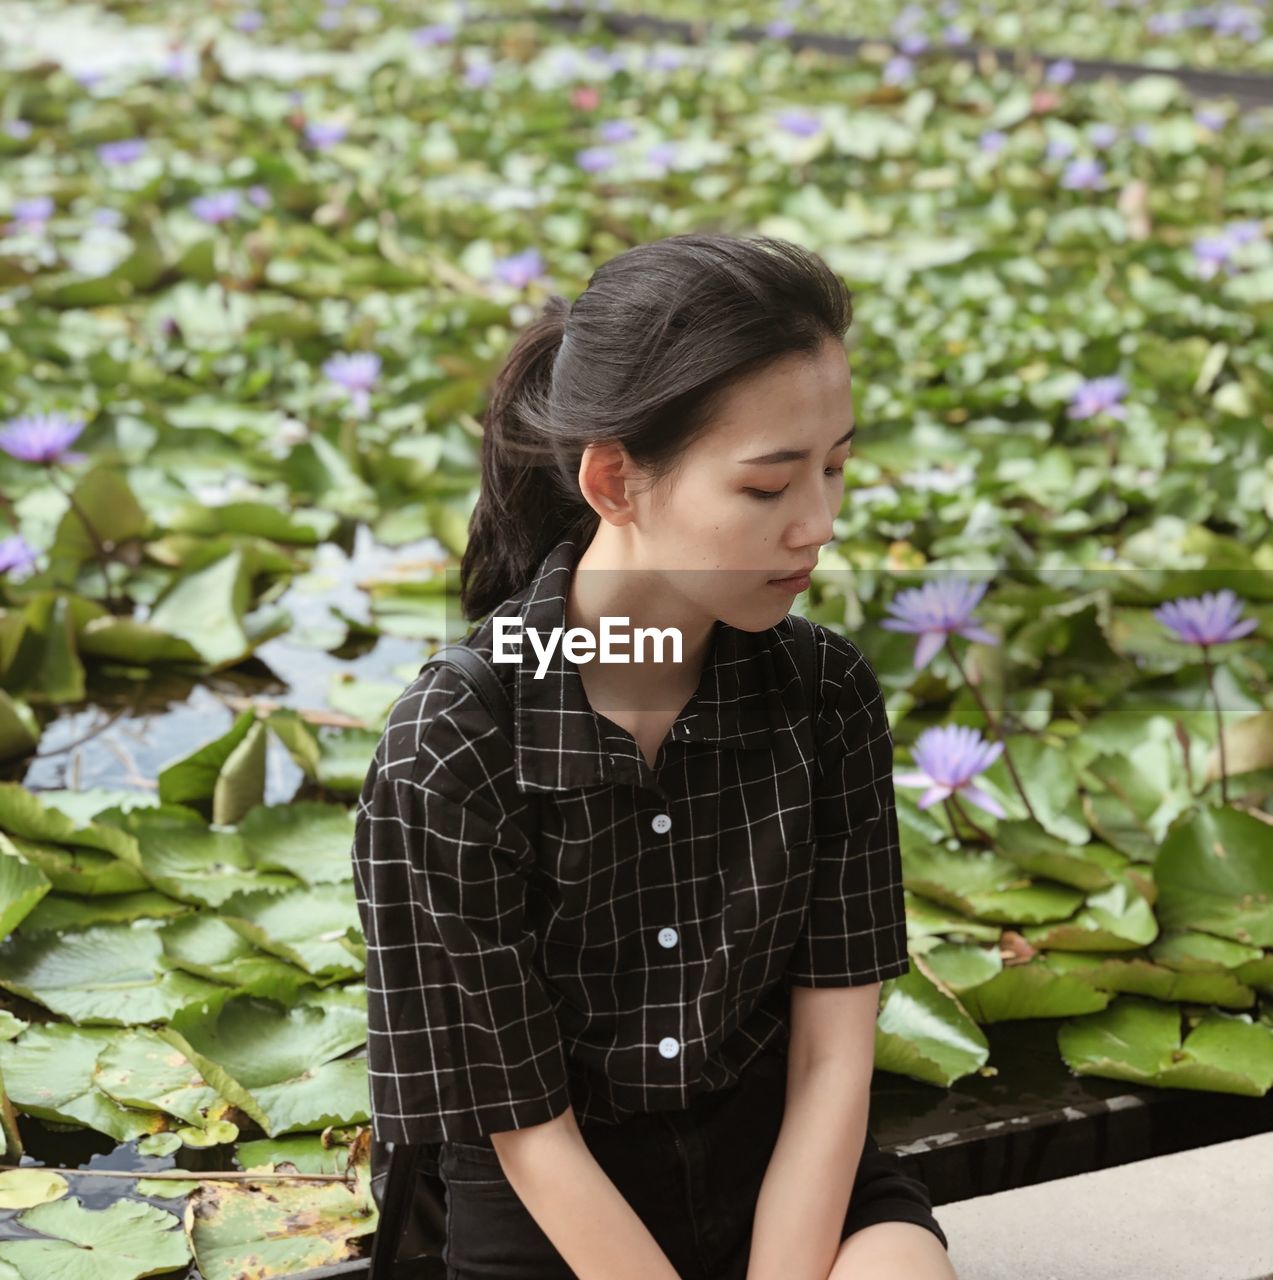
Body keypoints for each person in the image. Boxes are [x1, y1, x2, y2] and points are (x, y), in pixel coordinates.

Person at [351, 231, 956, 1280]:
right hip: (552, 1196)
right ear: (615, 481)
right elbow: (526, 1128)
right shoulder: (452, 740)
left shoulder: (827, 693)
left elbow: (828, 1061)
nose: (817, 525)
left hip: (782, 1157)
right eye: (767, 487)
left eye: (836, 468)